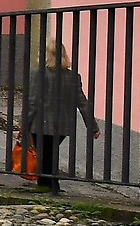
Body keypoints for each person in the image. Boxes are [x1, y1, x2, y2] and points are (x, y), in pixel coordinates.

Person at [26, 39, 100, 192]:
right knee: (49, 153)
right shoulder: (72, 76)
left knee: (44, 154)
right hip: (62, 124)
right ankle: (50, 185)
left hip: (40, 122)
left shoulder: (39, 74)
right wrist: (92, 126)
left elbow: (32, 102)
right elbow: (82, 103)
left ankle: (48, 186)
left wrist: (24, 124)